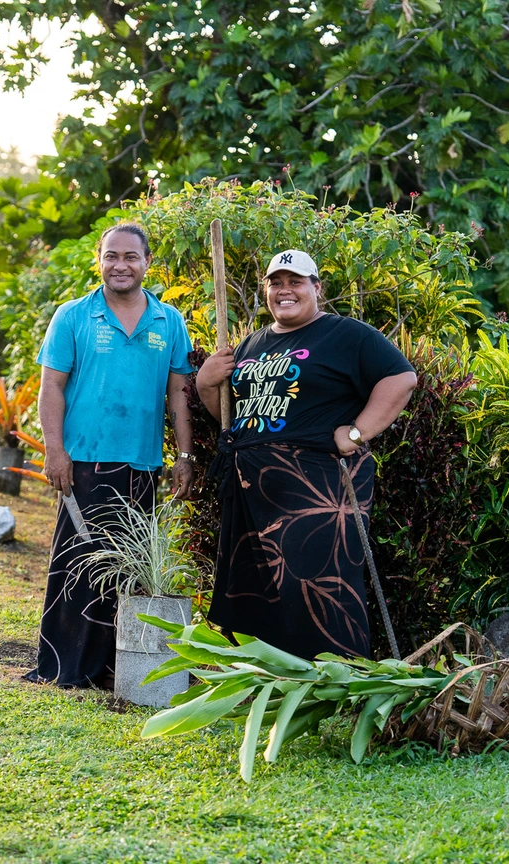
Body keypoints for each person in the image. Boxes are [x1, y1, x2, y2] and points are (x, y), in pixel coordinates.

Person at [195, 250, 418, 660]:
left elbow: (402, 378)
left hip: (317, 489)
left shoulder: (346, 334)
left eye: (295, 282)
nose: (284, 290)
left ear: (317, 288)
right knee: (255, 588)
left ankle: (333, 682)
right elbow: (234, 417)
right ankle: (264, 679)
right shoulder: (252, 343)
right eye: (275, 283)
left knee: (317, 584)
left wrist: (356, 432)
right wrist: (207, 384)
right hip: (253, 493)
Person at [27, 222, 198, 688]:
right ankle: (64, 668)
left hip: (143, 465)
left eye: (130, 257)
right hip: (84, 462)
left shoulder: (169, 320)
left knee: (127, 570)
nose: (120, 265)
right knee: (78, 565)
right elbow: (52, 388)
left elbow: (179, 393)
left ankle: (111, 667)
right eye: (111, 256)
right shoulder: (74, 316)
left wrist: (185, 455)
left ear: (147, 263)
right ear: (99, 261)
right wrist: (55, 451)